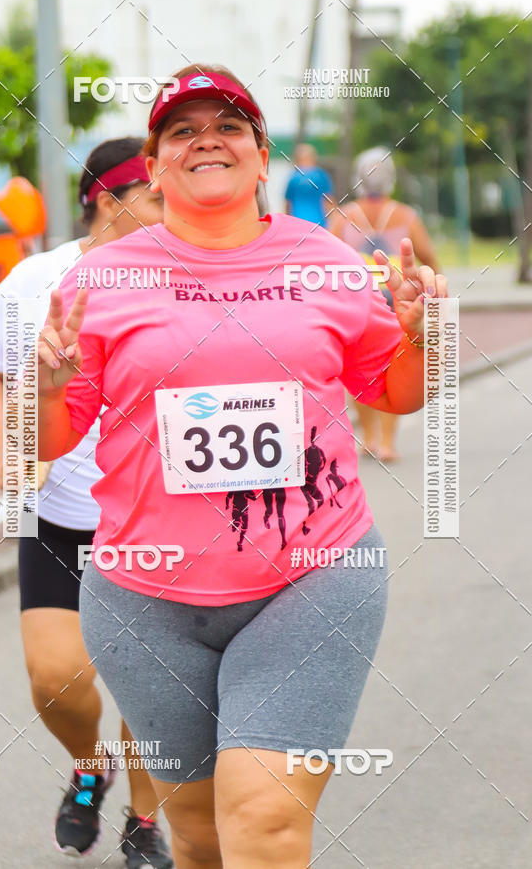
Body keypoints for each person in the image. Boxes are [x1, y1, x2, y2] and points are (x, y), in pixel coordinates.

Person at [36, 64, 448, 869]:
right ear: (154, 167)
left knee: (262, 821)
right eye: (182, 131)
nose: (206, 141)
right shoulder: (101, 280)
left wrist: (416, 335)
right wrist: (45, 386)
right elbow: (48, 440)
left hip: (313, 575)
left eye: (228, 127)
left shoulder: (324, 260)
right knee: (196, 832)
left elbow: (396, 394)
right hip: (144, 596)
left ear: (263, 158)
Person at [0, 138, 173, 868]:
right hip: (54, 509)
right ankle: (90, 766)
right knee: (57, 679)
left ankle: (146, 822)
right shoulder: (34, 280)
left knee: (150, 688)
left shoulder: (189, 278)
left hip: (155, 518)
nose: (175, 208)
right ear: (109, 202)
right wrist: (16, 440)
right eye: (157, 197)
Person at [330, 146, 440, 461]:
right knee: (394, 370)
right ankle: (389, 443)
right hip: (397, 299)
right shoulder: (406, 215)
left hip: (357, 300)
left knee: (356, 371)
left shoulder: (344, 215)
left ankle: (370, 438)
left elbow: (325, 258)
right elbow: (429, 256)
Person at [284, 143, 335, 227]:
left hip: (297, 222)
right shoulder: (321, 175)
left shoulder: (293, 177)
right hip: (318, 222)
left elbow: (288, 204)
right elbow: (329, 201)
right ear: (313, 158)